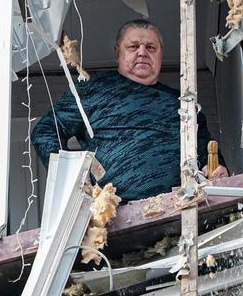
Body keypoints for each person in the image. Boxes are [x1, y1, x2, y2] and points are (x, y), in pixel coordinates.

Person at [31, 19, 228, 201]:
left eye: (151, 47)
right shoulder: (91, 90)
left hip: (178, 209)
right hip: (112, 215)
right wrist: (71, 175)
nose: (142, 52)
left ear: (160, 54)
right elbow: (45, 131)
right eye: (133, 46)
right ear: (118, 53)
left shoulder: (183, 104)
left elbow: (207, 154)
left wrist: (216, 170)